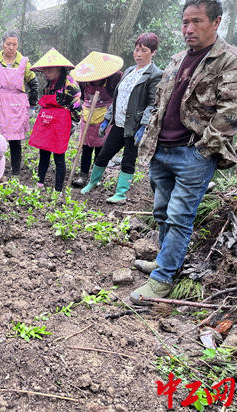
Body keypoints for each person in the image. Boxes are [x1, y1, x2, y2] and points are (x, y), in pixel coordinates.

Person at [130, 0, 237, 304]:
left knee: (179, 217)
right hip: (162, 149)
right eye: (185, 22)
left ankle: (162, 279)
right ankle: (166, 260)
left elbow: (231, 111)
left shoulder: (229, 60)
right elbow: (163, 103)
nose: (188, 29)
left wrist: (203, 151)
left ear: (216, 22)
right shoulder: (178, 59)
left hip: (192, 154)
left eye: (197, 22)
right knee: (162, 211)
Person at [80, 33, 163, 203]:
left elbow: (152, 104)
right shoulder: (129, 71)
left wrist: (144, 125)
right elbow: (117, 98)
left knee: (128, 159)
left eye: (144, 50)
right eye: (136, 50)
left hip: (134, 126)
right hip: (118, 123)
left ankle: (121, 193)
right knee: (104, 154)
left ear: (153, 52)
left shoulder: (155, 75)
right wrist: (107, 118)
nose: (138, 54)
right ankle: (93, 182)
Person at [0, 30, 39, 177]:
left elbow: (34, 83)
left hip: (16, 108)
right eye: (8, 44)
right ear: (3, 44)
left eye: (14, 44)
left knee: (15, 139)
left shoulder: (24, 62)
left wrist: (31, 104)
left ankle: (15, 172)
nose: (11, 47)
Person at [28, 48, 82, 191]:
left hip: (61, 125)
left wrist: (72, 124)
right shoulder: (49, 84)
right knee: (44, 152)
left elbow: (77, 108)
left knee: (59, 155)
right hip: (47, 122)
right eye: (44, 70)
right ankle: (40, 182)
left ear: (59, 68)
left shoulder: (70, 85)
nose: (46, 72)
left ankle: (58, 189)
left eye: (49, 69)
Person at [69, 52, 123, 188]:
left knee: (101, 149)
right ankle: (83, 174)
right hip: (87, 116)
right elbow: (81, 96)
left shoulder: (113, 79)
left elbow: (119, 94)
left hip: (104, 117)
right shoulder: (84, 80)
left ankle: (96, 176)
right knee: (86, 147)